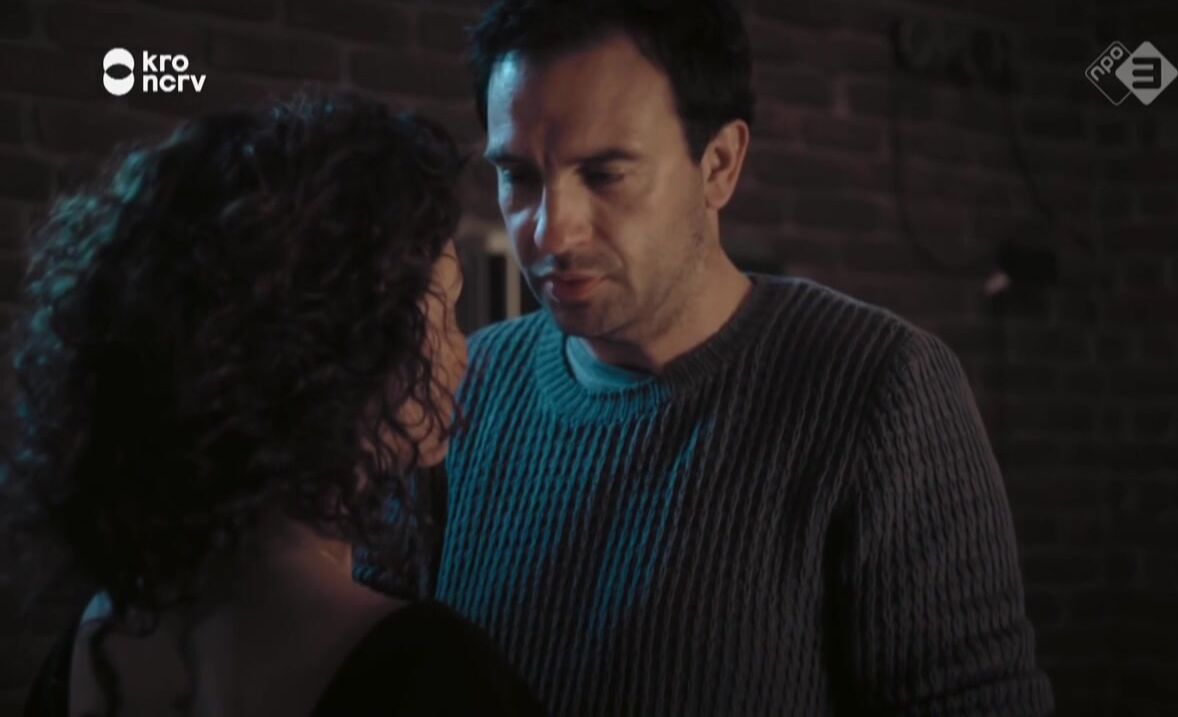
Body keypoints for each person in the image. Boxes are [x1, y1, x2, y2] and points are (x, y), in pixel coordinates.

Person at [421, 0, 1056, 714]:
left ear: (719, 165)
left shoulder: (881, 387)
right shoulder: (466, 387)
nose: (550, 231)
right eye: (519, 176)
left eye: (604, 175)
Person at [6, 92, 543, 716]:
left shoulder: (96, 641)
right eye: (441, 314)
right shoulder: (433, 670)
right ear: (336, 352)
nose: (462, 355)